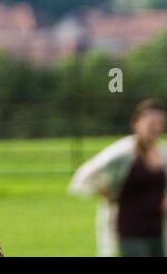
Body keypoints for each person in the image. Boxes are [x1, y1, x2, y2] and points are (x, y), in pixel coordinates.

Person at [69, 98, 166, 256]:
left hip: (158, 231)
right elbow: (85, 174)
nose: (155, 127)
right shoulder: (122, 153)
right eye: (150, 122)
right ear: (136, 123)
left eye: (159, 123)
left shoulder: (163, 154)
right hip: (131, 231)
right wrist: (105, 190)